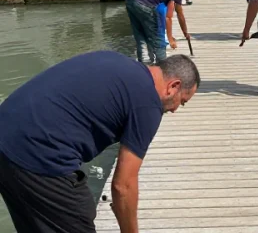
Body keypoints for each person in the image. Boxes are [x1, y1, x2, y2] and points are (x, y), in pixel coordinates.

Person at [0, 51, 200, 233]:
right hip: (39, 152)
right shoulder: (148, 103)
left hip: (6, 136)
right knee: (78, 214)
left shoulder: (120, 62)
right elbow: (123, 186)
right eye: (182, 102)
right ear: (173, 86)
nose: (175, 110)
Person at [126, 0, 199, 64]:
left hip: (130, 0)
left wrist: (185, 33)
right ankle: (163, 67)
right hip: (145, 3)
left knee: (140, 36)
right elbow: (171, 16)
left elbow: (176, 12)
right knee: (158, 37)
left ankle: (143, 66)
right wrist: (170, 39)